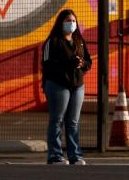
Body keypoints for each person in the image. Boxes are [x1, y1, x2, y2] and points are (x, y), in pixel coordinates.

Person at [42, 9, 91, 165]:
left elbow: (89, 61)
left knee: (73, 122)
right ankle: (55, 156)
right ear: (60, 23)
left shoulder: (79, 40)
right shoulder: (53, 41)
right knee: (57, 120)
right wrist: (68, 63)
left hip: (77, 85)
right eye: (68, 21)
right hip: (57, 84)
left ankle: (75, 156)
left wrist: (82, 64)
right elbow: (47, 65)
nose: (71, 24)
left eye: (73, 21)